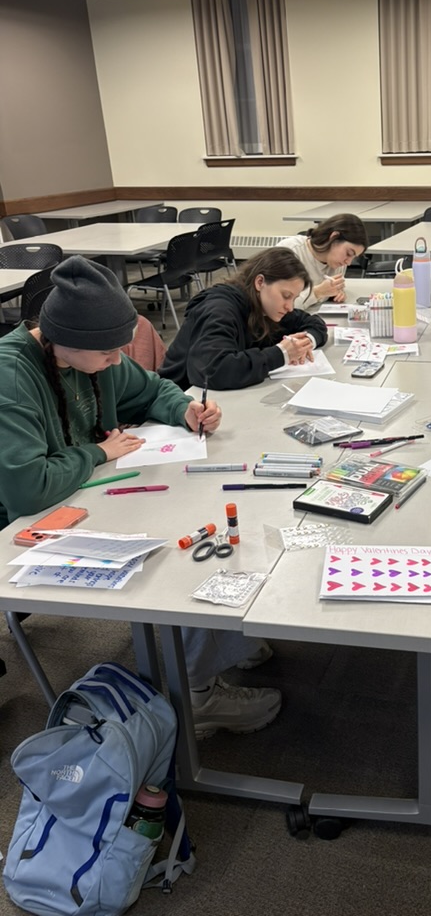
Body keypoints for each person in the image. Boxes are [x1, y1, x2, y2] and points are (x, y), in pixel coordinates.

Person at [0, 255, 281, 740]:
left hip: (84, 491)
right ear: (65, 340)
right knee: (184, 547)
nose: (116, 360)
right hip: (26, 525)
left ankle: (222, 641)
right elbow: (27, 488)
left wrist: (186, 408)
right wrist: (98, 451)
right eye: (108, 352)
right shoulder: (11, 377)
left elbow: (150, 389)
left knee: (204, 509)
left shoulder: (88, 353)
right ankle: (199, 695)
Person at [159, 247, 329, 391]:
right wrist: (281, 354)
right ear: (260, 282)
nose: (290, 307)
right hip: (181, 401)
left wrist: (305, 342)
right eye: (286, 296)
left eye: (294, 298)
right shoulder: (219, 310)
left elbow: (313, 323)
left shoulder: (266, 306)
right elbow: (212, 372)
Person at [277, 213, 368, 308]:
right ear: (333, 237)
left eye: (353, 257)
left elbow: (324, 294)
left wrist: (335, 293)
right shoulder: (289, 252)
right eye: (348, 253)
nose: (348, 263)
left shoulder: (338, 262)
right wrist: (317, 293)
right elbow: (277, 305)